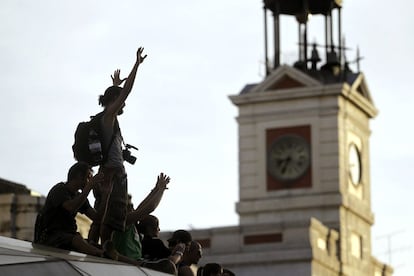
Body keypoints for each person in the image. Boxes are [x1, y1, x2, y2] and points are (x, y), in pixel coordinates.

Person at [88, 47, 147, 246]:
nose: (124, 104)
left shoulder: (108, 120)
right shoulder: (108, 117)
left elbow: (118, 95)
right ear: (114, 101)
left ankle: (100, 245)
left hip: (109, 171)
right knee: (109, 216)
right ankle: (102, 248)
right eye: (120, 101)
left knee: (107, 213)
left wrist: (114, 86)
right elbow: (127, 92)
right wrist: (136, 65)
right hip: (112, 172)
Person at [33, 162, 104, 257]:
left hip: (68, 237)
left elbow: (97, 218)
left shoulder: (80, 197)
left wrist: (104, 195)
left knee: (94, 245)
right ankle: (100, 254)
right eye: (88, 177)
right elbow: (70, 207)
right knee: (79, 241)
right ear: (79, 176)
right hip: (49, 237)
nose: (89, 181)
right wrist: (88, 187)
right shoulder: (59, 190)